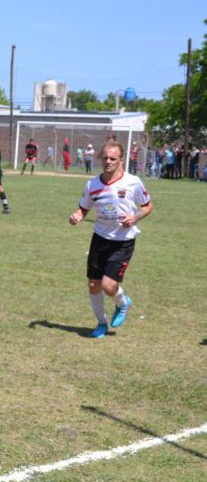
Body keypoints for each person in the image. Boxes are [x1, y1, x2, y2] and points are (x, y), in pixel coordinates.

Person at [68, 142, 153, 338]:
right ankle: (101, 323)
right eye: (105, 158)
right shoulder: (93, 184)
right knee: (93, 284)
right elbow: (83, 208)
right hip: (99, 239)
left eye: (113, 158)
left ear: (121, 160)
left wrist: (134, 218)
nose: (108, 162)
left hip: (123, 241)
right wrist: (77, 216)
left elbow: (148, 207)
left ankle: (123, 304)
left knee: (109, 286)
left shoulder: (133, 182)